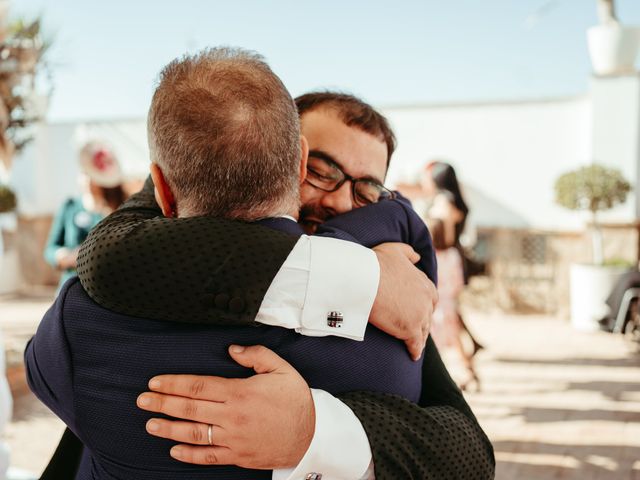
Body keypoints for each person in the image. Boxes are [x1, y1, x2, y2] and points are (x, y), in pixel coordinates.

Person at [25, 48, 488, 479]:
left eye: (368, 191)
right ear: (290, 156)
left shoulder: (396, 301)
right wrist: (362, 280)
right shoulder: (134, 265)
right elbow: (115, 250)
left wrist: (316, 433)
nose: (342, 203)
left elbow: (470, 453)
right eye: (322, 171)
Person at [44, 142, 125, 289]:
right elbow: (50, 249)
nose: (87, 179)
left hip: (105, 288)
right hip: (71, 285)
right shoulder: (69, 206)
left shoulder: (117, 209)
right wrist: (64, 256)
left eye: (92, 174)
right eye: (84, 173)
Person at [428, 218, 478, 390]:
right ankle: (469, 373)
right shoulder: (452, 254)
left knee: (435, 346)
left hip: (434, 305)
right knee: (456, 342)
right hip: (449, 304)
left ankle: (440, 380)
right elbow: (458, 282)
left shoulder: (429, 256)